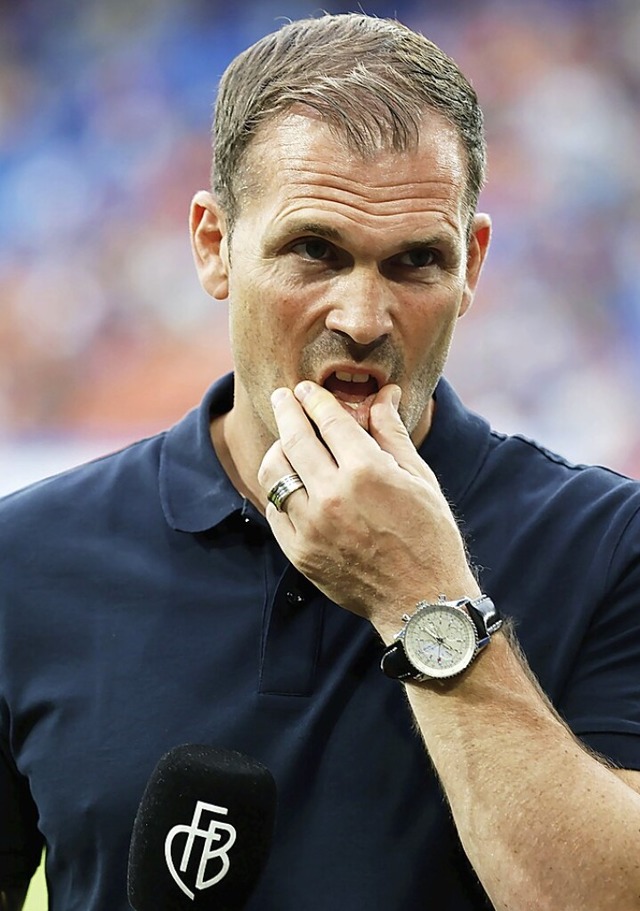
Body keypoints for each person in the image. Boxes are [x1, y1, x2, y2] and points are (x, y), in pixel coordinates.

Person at [1, 11, 640, 911]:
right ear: (214, 245)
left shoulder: (610, 548)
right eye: (314, 251)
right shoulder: (27, 558)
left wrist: (423, 600)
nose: (364, 318)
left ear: (472, 264)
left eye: (416, 261)